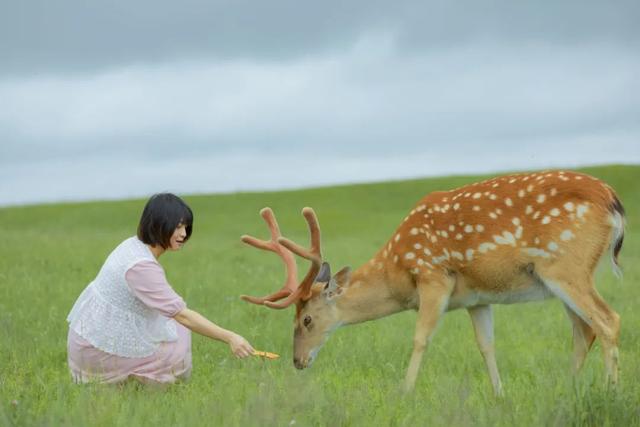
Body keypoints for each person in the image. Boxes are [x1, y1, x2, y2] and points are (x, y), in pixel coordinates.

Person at [66, 193, 254, 384]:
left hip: (88, 339)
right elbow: (182, 315)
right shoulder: (141, 267)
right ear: (158, 224)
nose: (184, 233)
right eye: (178, 226)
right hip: (96, 352)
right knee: (177, 345)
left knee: (172, 326)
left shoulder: (132, 245)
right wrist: (230, 337)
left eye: (186, 226)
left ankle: (133, 382)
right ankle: (140, 387)